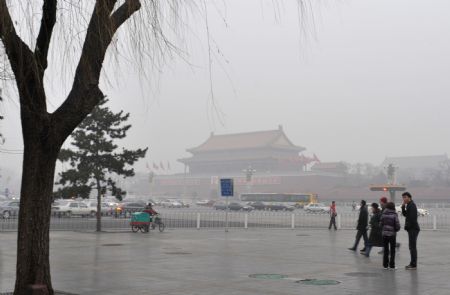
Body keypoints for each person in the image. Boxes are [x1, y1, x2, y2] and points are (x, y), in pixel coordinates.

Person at [401, 192, 420, 270]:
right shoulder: (409, 205)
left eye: (405, 197)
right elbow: (406, 215)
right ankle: (412, 263)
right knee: (411, 247)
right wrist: (403, 207)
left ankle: (413, 264)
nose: (404, 199)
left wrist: (407, 226)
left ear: (409, 197)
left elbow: (412, 218)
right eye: (403, 198)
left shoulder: (412, 205)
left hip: (413, 229)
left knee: (412, 247)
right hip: (412, 229)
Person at [380, 202, 400, 269]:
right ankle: (392, 266)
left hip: (384, 234)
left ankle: (385, 265)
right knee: (392, 250)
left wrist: (384, 229)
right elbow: (397, 225)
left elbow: (380, 224)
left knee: (386, 250)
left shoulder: (383, 214)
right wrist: (395, 230)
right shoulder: (395, 215)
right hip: (392, 235)